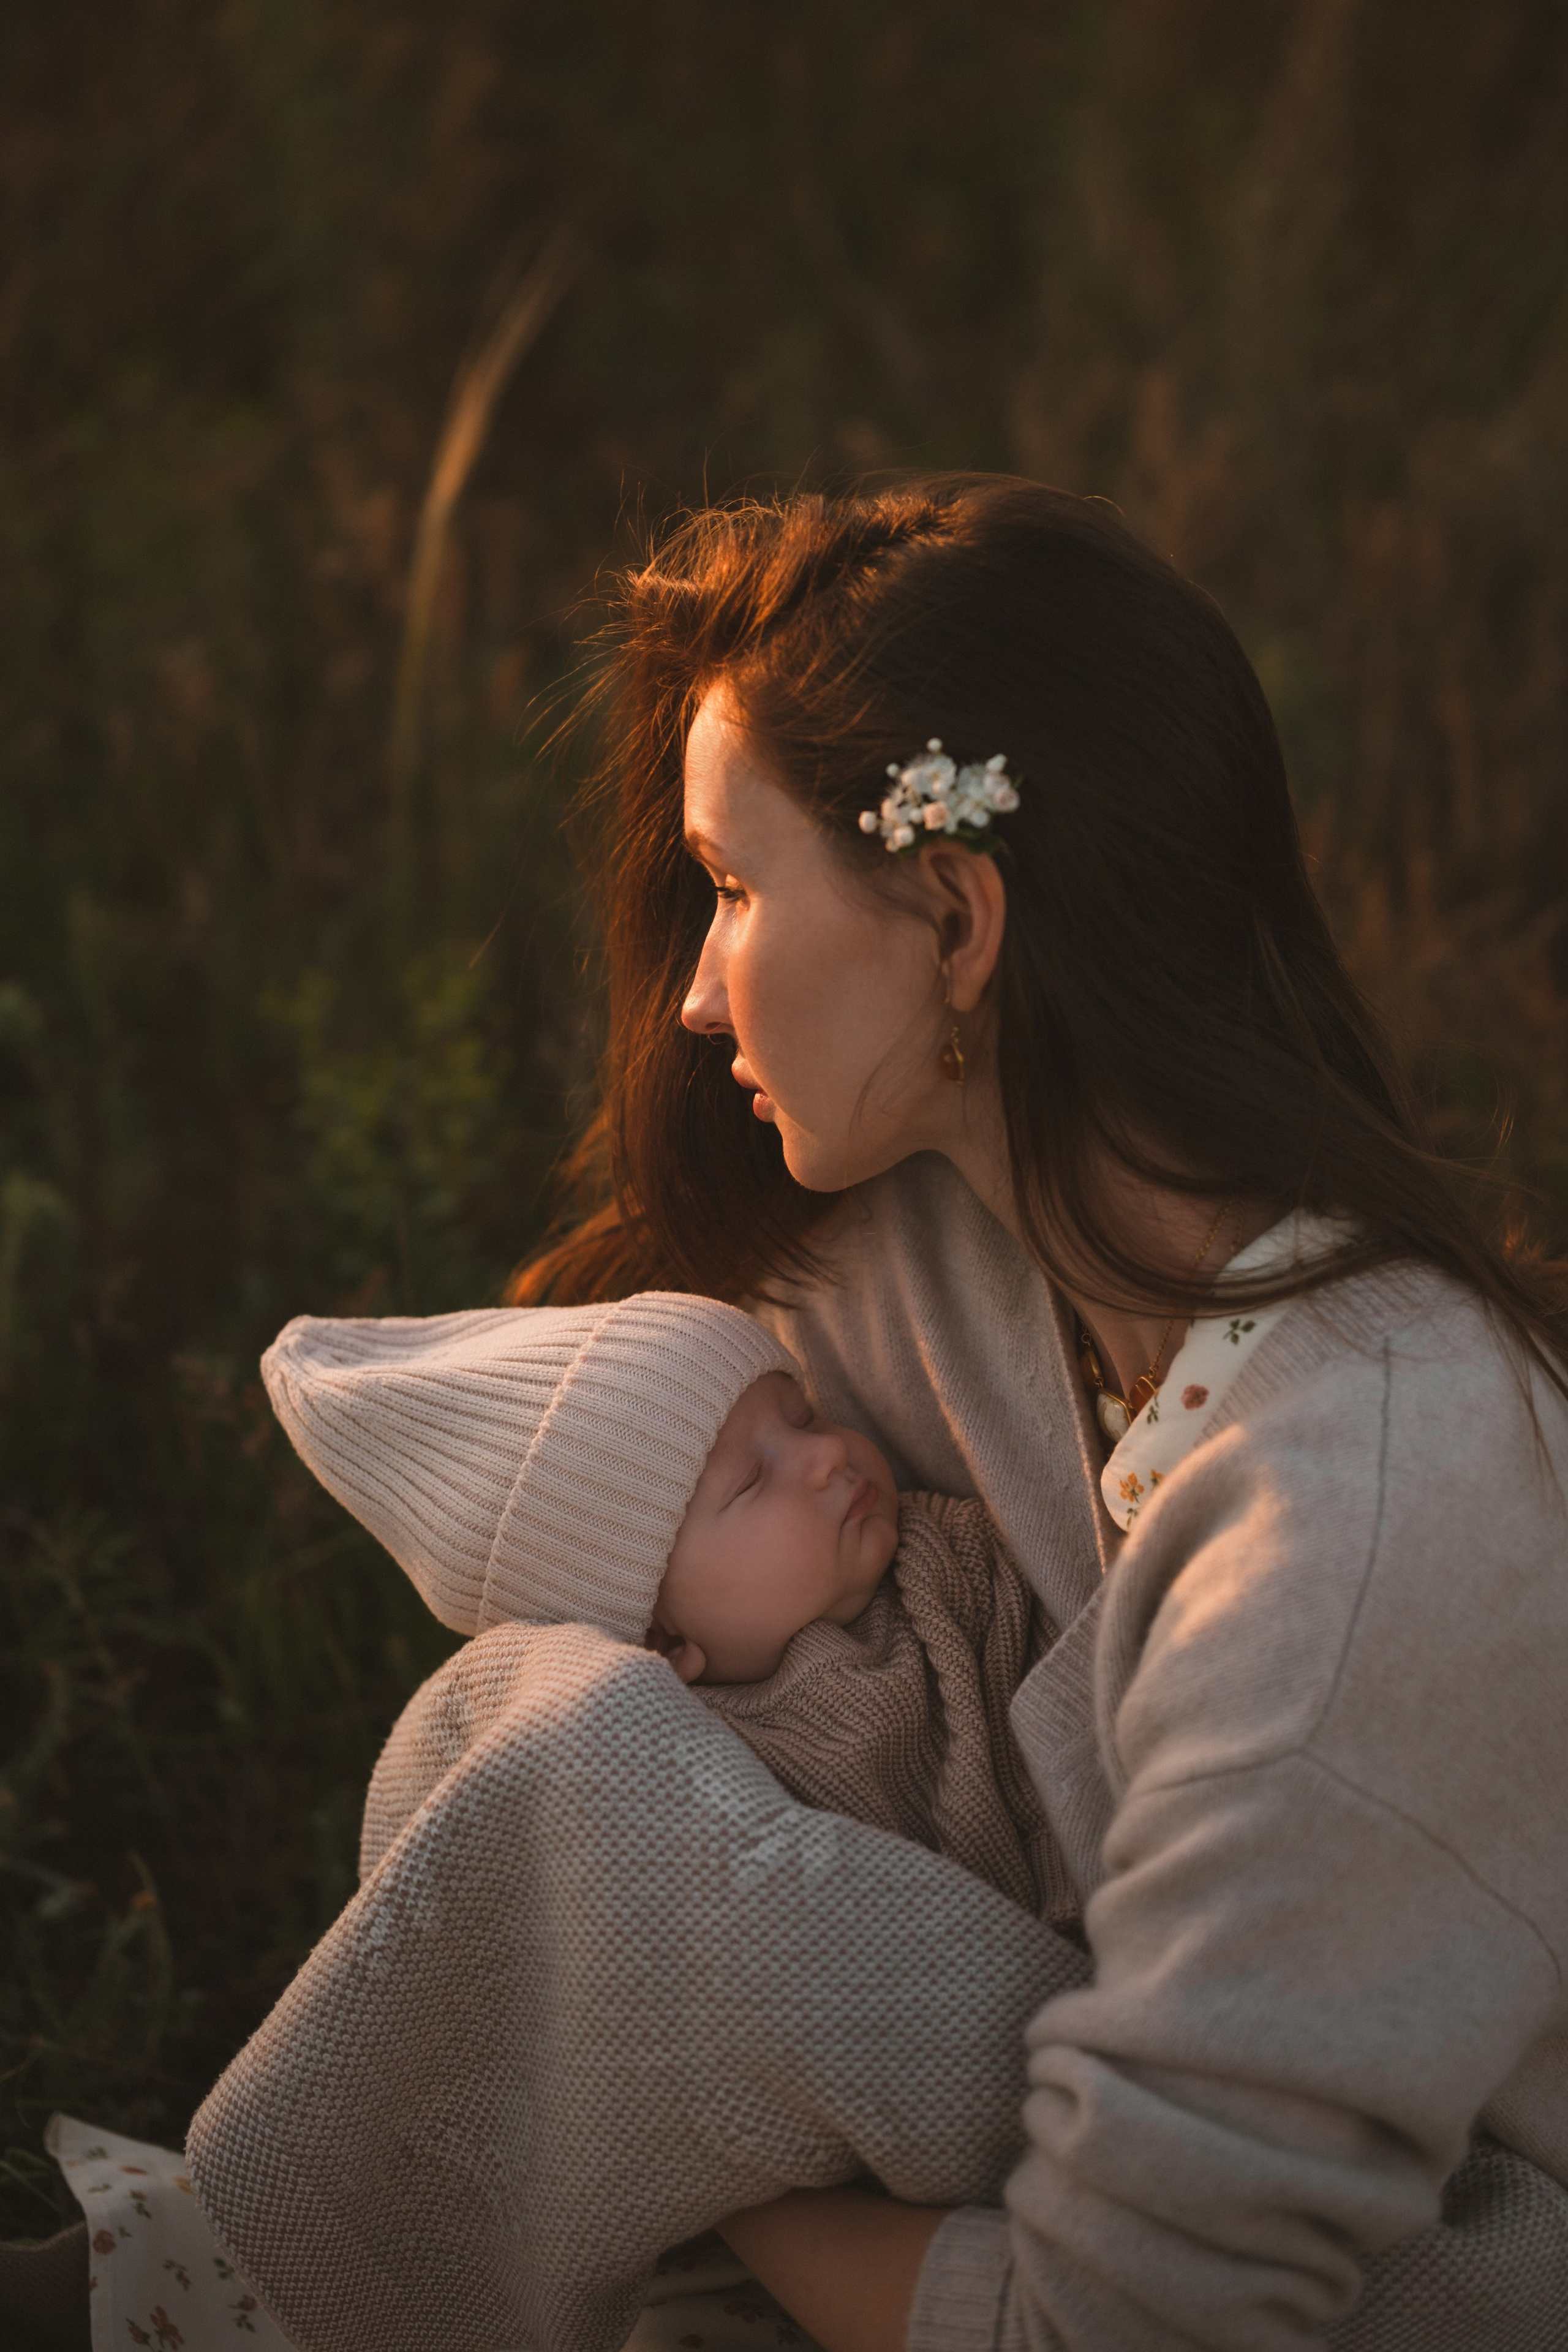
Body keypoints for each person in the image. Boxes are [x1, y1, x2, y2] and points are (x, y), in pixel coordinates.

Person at [187, 475, 1568, 2352]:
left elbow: (1119, 2329)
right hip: (1038, 2126)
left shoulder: (1363, 1516)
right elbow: (582, 1517)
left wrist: (685, 2127)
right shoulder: (944, 1253)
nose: (689, 991)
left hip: (1443, 2259)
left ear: (954, 913)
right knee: (545, 1735)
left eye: (737, 892)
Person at [260, 1291, 1065, 1917]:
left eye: (804, 1416)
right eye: (752, 1480)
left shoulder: (957, 1564)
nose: (825, 1454)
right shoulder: (671, 1779)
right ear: (659, 1637)